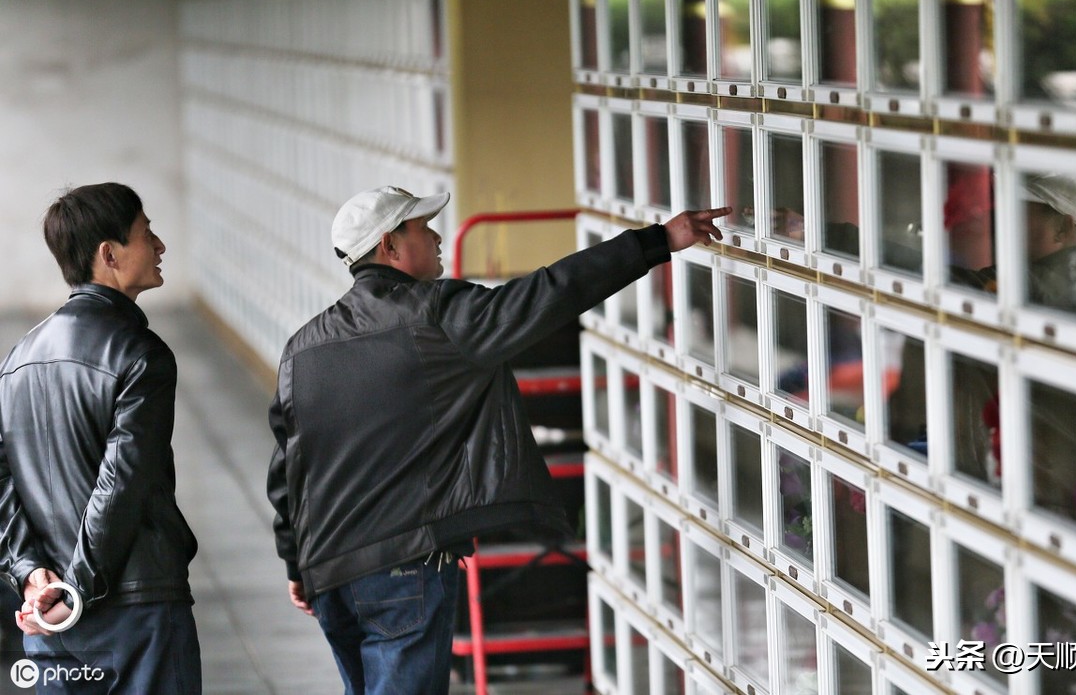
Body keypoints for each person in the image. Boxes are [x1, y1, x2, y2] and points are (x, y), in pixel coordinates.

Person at [267, 185, 730, 694]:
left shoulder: (301, 350)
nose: (438, 235)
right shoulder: (436, 317)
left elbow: (288, 471)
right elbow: (549, 293)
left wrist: (296, 563)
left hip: (329, 572)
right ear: (389, 247)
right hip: (403, 570)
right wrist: (656, 241)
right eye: (423, 227)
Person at [0, 183, 200, 692]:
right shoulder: (142, 355)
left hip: (50, 623)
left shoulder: (18, 358)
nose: (159, 246)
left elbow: (4, 482)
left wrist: (31, 572)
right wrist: (77, 590)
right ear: (109, 254)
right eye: (147, 234)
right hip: (135, 611)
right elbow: (121, 486)